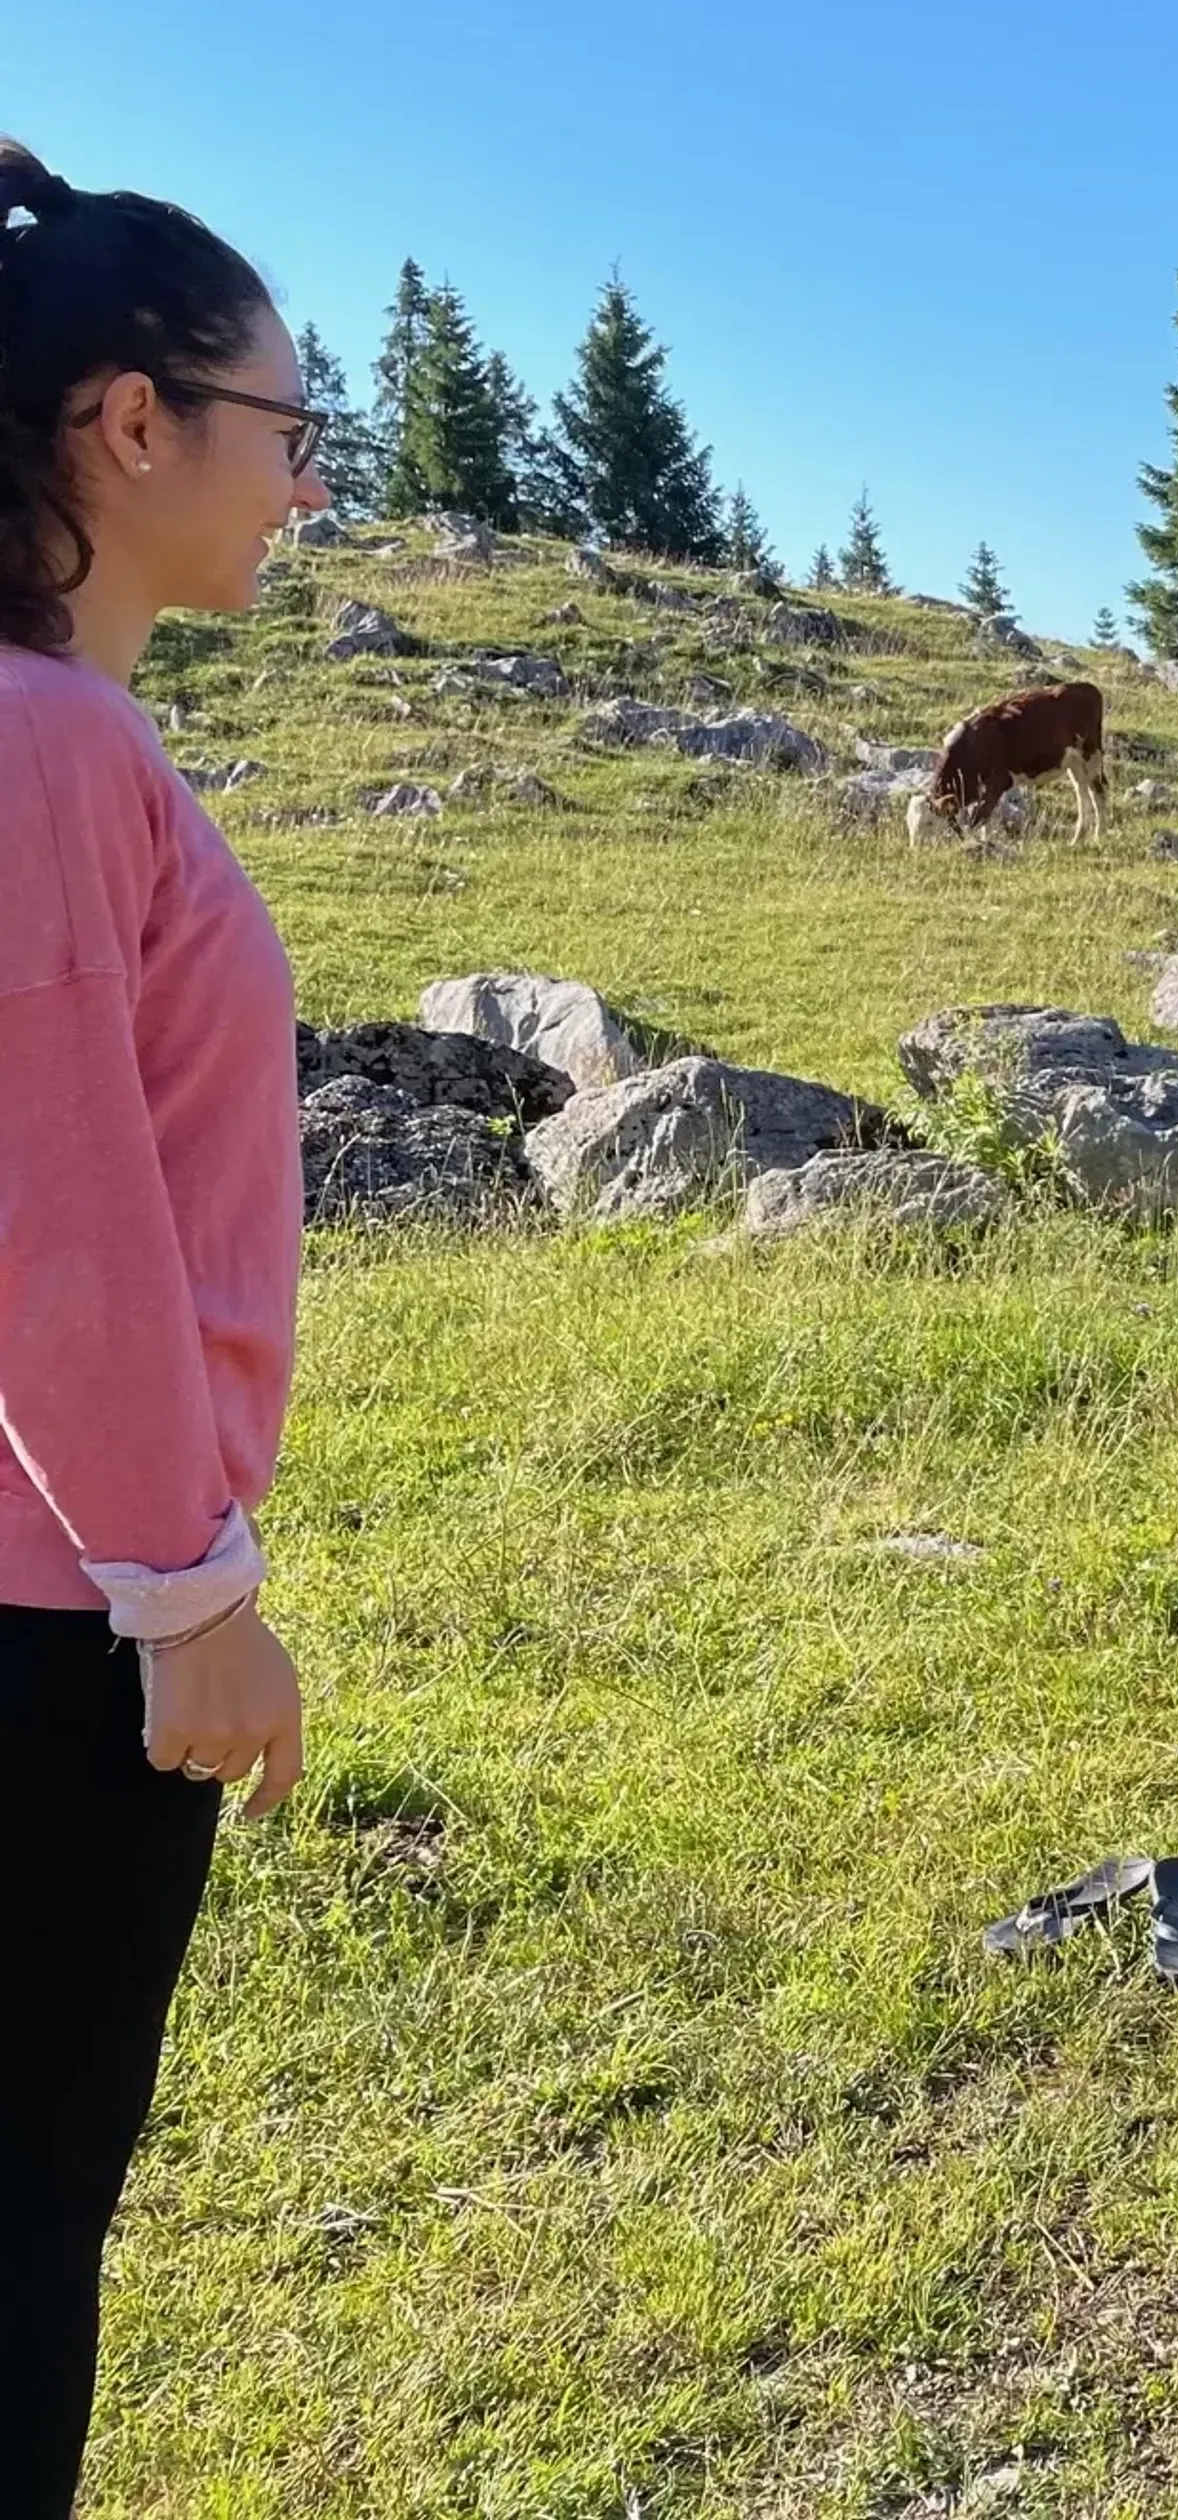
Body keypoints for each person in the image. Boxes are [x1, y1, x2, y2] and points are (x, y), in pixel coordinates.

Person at [0, 144, 321, 2508]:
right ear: (133, 424)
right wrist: (186, 1588)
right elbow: (52, 1208)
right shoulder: (47, 741)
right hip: (47, 1617)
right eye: (286, 430)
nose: (303, 486)